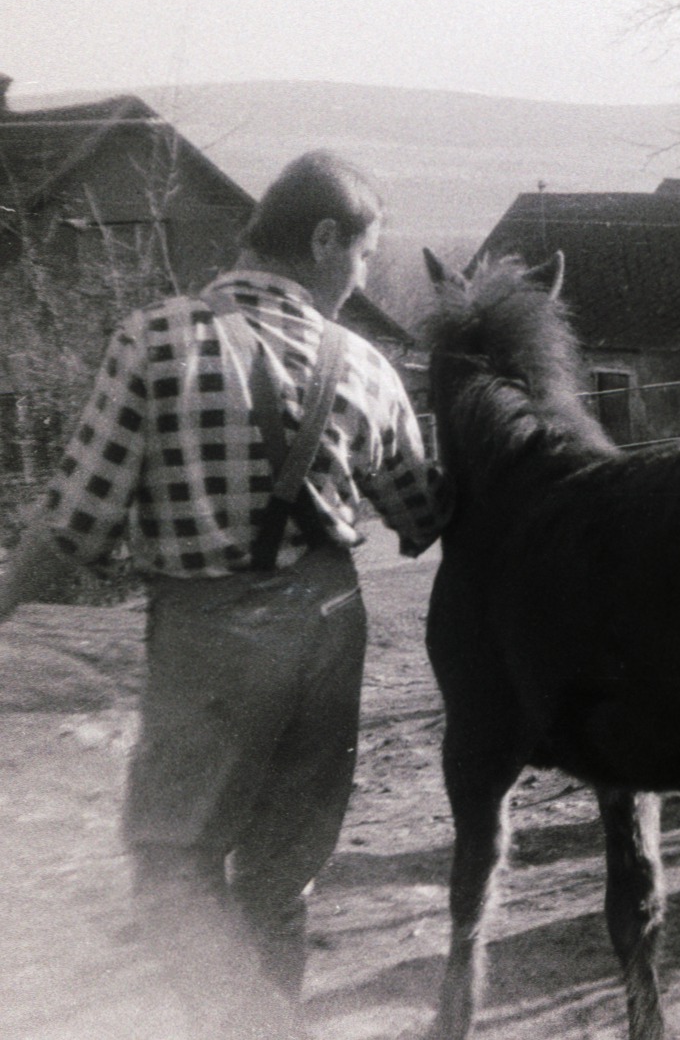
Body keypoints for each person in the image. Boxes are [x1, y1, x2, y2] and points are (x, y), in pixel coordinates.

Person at [0, 150, 448, 1036]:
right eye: (363, 256)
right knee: (279, 881)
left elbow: (73, 525)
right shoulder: (364, 364)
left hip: (210, 642)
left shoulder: (154, 339)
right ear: (324, 239)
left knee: (173, 872)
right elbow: (424, 515)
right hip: (328, 631)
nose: (360, 276)